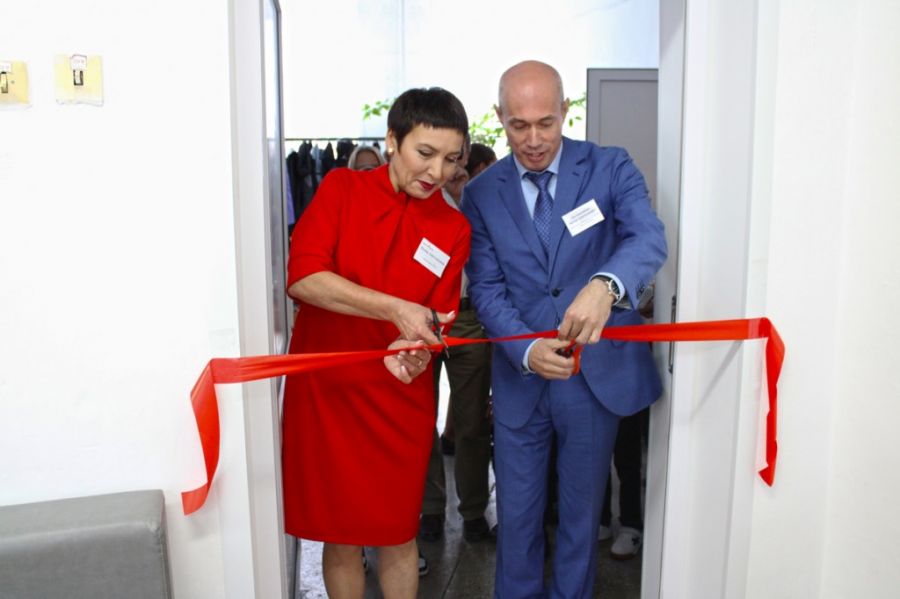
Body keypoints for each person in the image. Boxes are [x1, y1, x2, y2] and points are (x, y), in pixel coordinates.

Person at [461, 60, 667, 598]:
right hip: (521, 380)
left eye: (546, 123)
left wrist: (606, 284)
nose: (533, 140)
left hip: (592, 378)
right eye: (518, 125)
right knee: (517, 520)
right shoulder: (481, 194)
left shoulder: (610, 167)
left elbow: (648, 238)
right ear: (499, 117)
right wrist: (527, 349)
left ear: (566, 111)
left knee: (582, 520)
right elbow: (486, 288)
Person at [282, 87, 471, 599]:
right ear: (392, 140)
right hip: (329, 392)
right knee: (341, 534)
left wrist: (416, 354)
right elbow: (304, 278)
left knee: (398, 532)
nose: (436, 172)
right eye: (425, 153)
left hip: (398, 398)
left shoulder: (453, 228)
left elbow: (435, 322)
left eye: (451, 159)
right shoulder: (342, 189)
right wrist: (394, 309)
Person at [419, 139, 496, 544]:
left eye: (457, 155)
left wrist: (465, 196)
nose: (452, 164)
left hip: (470, 318)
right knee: (422, 419)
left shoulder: (483, 198)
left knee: (471, 423)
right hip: (422, 318)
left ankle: (473, 511)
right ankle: (430, 508)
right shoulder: (420, 194)